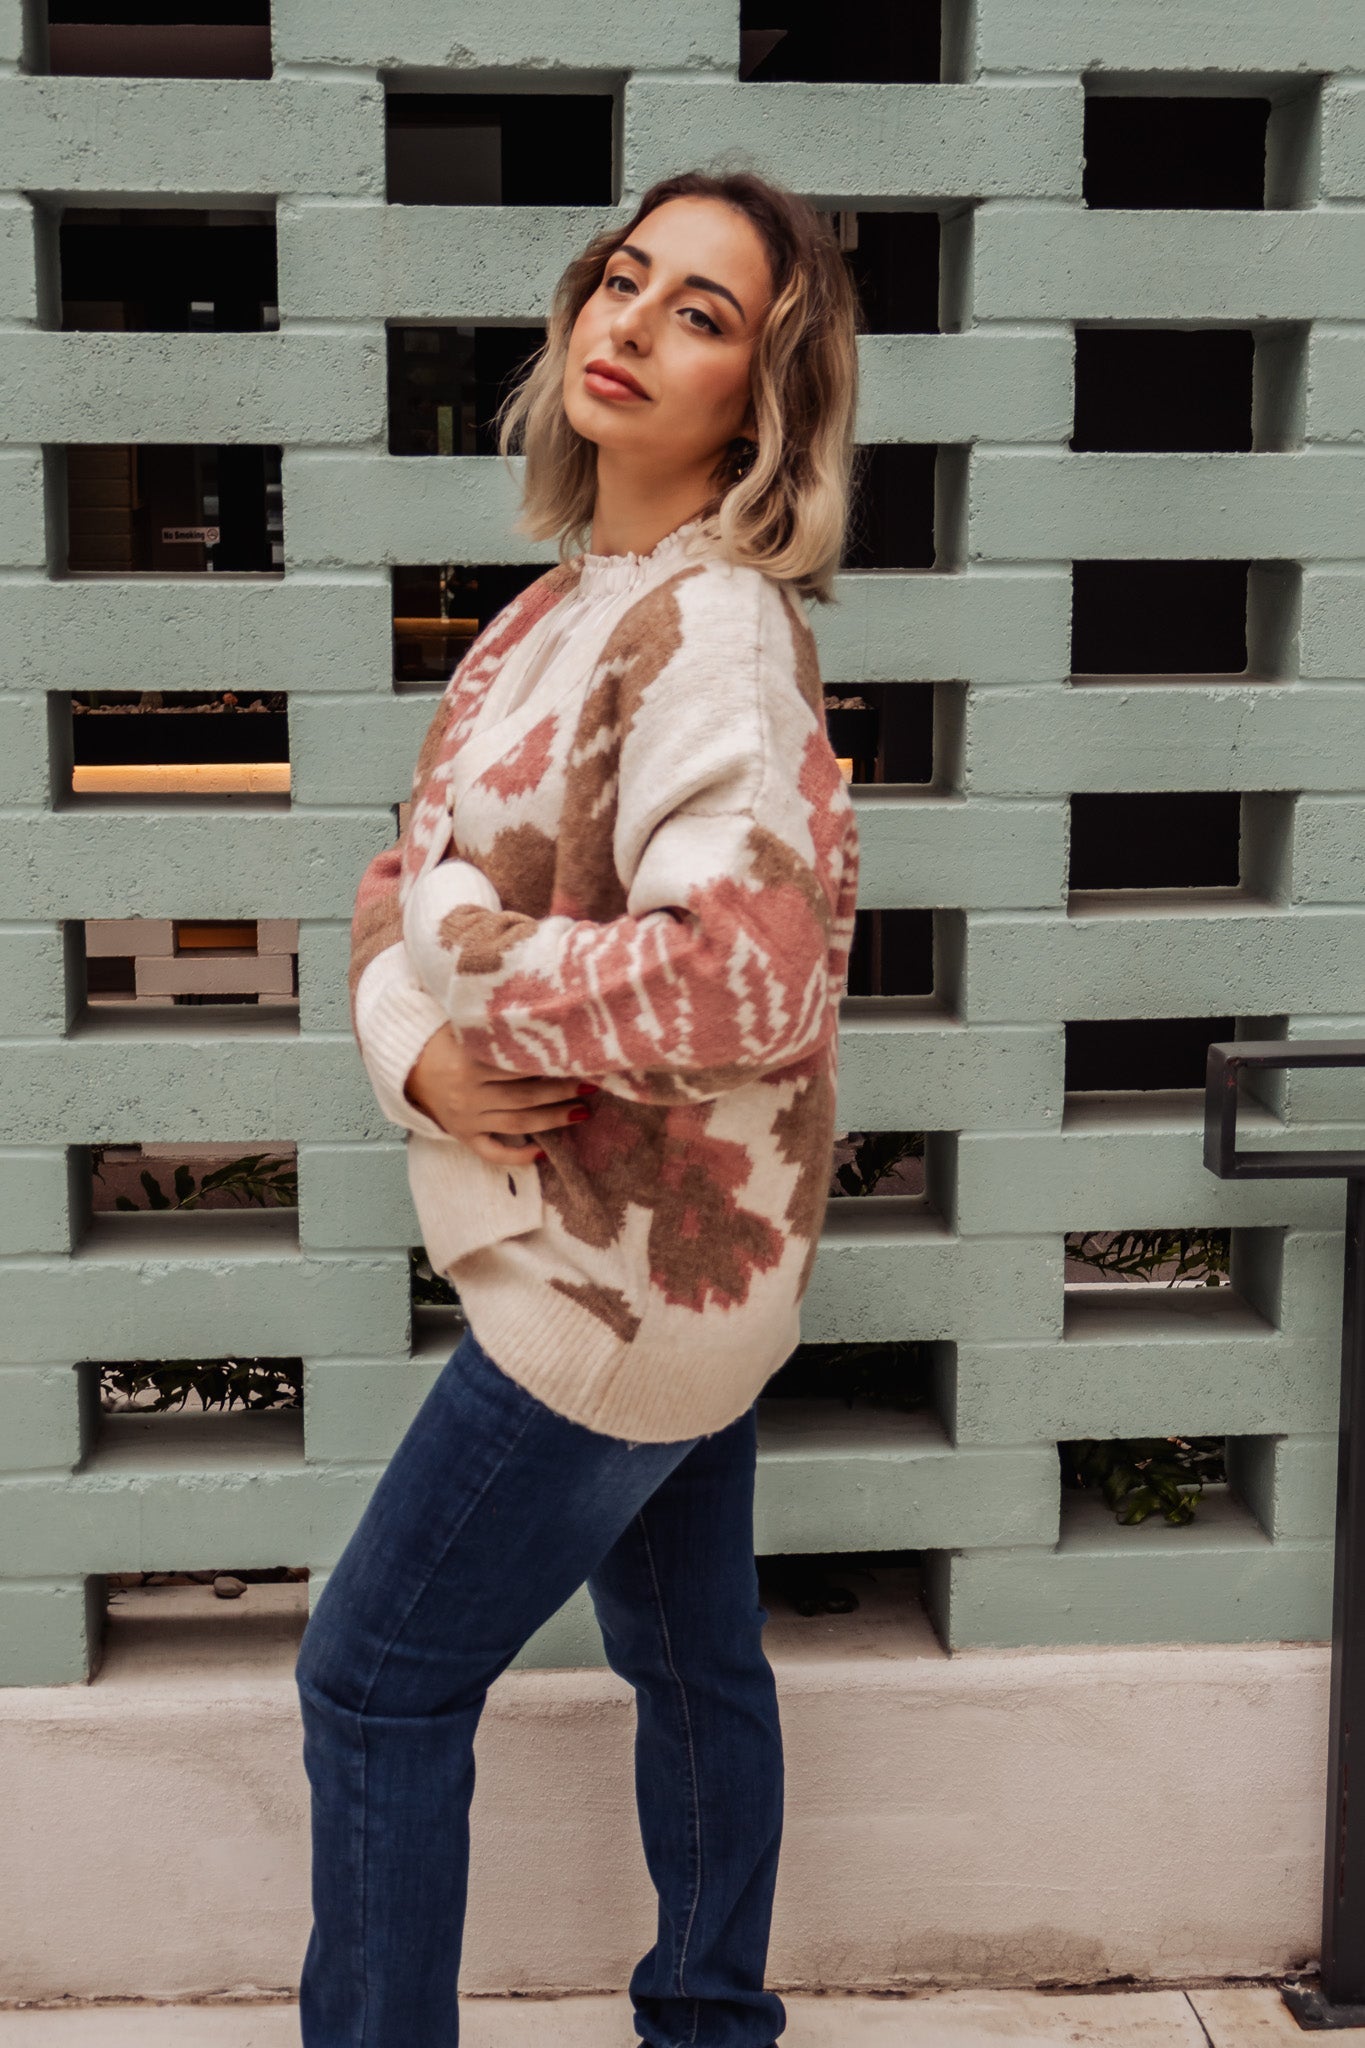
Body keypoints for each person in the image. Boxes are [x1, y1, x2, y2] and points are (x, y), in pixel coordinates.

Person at [294, 164, 862, 2048]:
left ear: (761, 399)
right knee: (692, 1663)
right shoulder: (550, 612)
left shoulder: (716, 634)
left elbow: (747, 976)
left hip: (611, 1290)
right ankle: (710, 2024)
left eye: (700, 313)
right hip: (678, 1281)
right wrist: (423, 1052)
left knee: (373, 1679)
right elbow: (392, 885)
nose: (629, 326)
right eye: (624, 282)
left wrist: (472, 946)